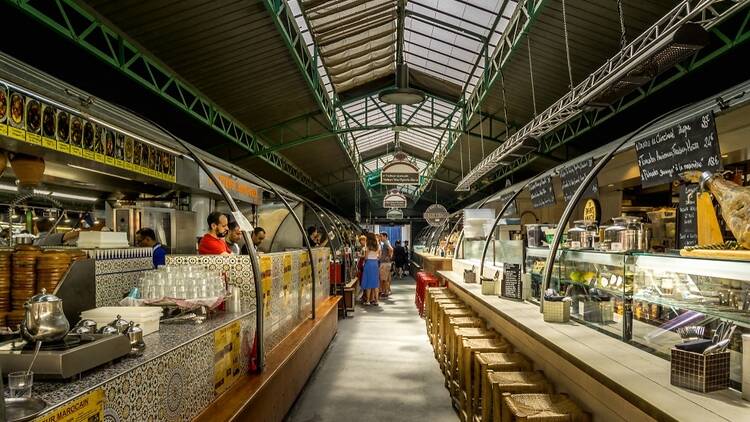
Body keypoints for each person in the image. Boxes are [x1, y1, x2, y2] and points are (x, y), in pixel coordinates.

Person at [360, 232, 380, 306]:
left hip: (369, 264)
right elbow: (379, 255)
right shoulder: (378, 245)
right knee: (375, 282)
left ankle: (368, 300)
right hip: (375, 263)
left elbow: (366, 257)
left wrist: (364, 261)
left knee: (368, 282)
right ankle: (376, 300)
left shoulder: (367, 245)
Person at [378, 232, 394, 298]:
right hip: (386, 263)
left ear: (385, 236)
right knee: (385, 279)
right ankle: (385, 291)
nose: (380, 238)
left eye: (381, 236)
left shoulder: (385, 242)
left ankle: (385, 292)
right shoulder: (386, 242)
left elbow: (391, 249)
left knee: (384, 279)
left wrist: (389, 256)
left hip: (385, 263)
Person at [356, 235, 367, 302]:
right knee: (362, 280)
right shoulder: (363, 247)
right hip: (361, 266)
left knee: (363, 280)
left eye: (361, 241)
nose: (360, 242)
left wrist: (359, 255)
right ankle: (364, 295)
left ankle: (364, 296)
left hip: (363, 266)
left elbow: (365, 256)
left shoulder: (364, 248)